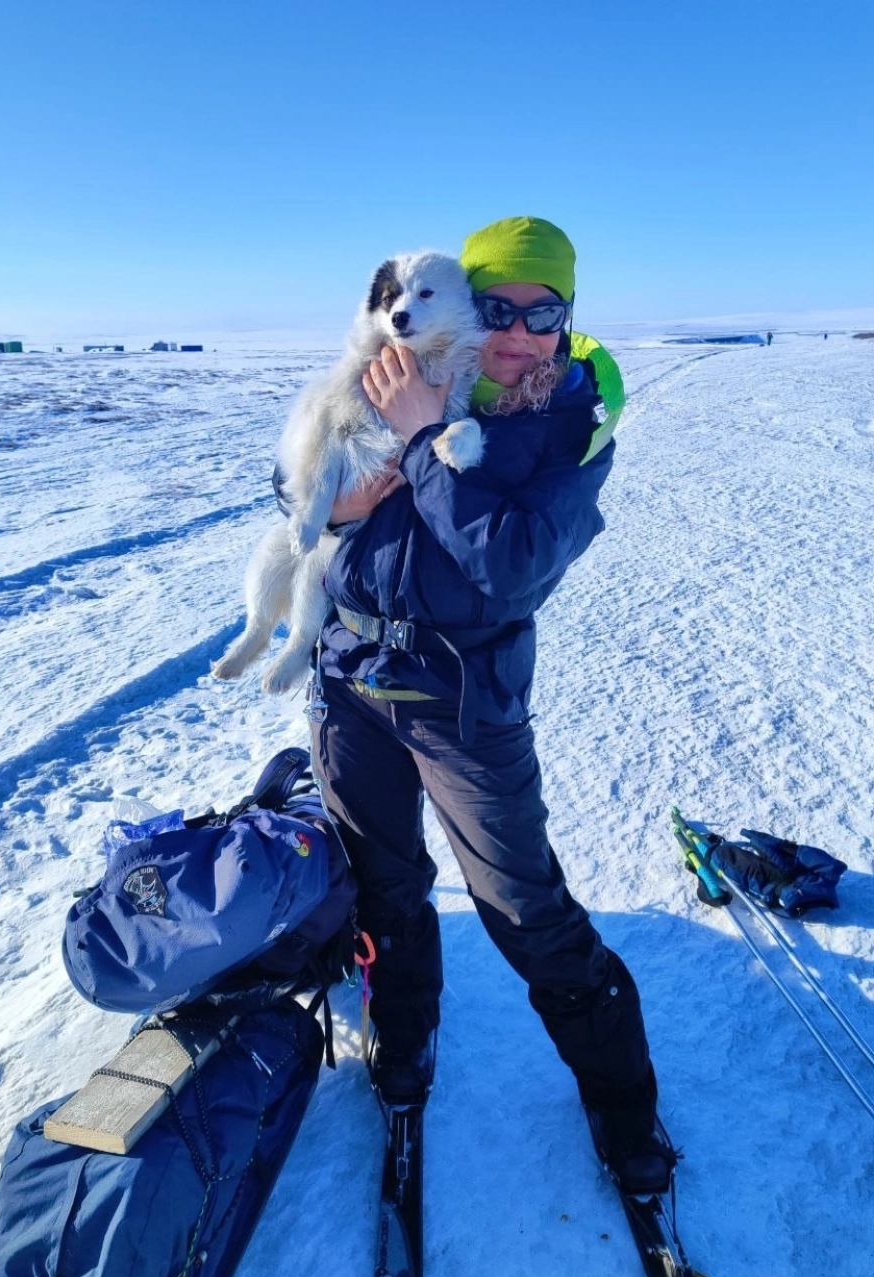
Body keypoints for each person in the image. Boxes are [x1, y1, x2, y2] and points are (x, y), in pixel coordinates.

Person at [307, 216, 673, 1194]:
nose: (516, 332)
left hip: (460, 699)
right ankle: (406, 1035)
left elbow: (509, 565)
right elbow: (299, 469)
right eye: (497, 307)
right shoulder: (416, 369)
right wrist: (323, 500)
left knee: (522, 908)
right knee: (382, 882)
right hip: (348, 677)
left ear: (565, 319)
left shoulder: (571, 427)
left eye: (540, 311)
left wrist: (427, 435)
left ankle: (623, 1098)